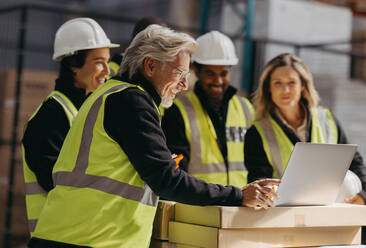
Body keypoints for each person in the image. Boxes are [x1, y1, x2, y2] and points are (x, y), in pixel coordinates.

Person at [28, 25, 280, 248]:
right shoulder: (131, 101)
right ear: (150, 65)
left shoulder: (112, 95)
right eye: (180, 74)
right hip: (89, 239)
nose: (184, 84)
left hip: (78, 237)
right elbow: (166, 181)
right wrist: (237, 195)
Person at [243, 53, 366, 244]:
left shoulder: (326, 118)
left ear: (303, 86)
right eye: (277, 83)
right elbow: (258, 181)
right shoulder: (258, 132)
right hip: (287, 222)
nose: (285, 89)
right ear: (268, 88)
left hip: (332, 214)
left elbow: (354, 161)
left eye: (292, 82)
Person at [22, 17, 119, 235]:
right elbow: (55, 181)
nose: (107, 70)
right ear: (73, 65)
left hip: (82, 233)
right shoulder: (51, 115)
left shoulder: (86, 110)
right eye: (99, 62)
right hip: (58, 236)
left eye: (107, 61)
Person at [162, 31, 255, 188]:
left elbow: (255, 161)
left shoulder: (246, 108)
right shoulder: (178, 110)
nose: (218, 81)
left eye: (224, 73)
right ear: (197, 72)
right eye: (210, 74)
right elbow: (177, 170)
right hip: (199, 205)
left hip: (242, 202)